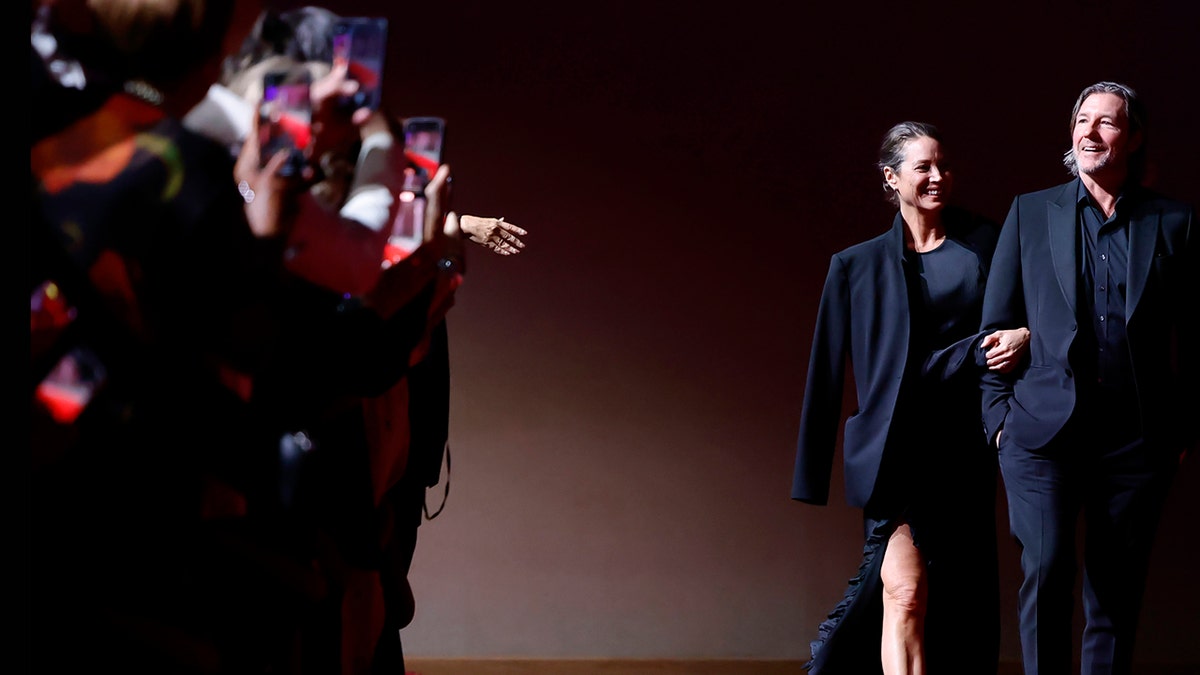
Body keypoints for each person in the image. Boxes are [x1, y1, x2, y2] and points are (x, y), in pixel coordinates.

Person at [29, 1, 460, 671]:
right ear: (228, 37)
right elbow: (292, 355)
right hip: (148, 536)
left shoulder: (79, 138)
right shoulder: (173, 167)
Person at [792, 121, 1030, 674]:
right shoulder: (854, 265)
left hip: (963, 448)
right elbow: (825, 370)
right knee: (904, 592)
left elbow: (1025, 315)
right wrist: (811, 472)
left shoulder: (986, 246)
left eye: (943, 165)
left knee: (959, 599)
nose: (937, 176)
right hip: (891, 454)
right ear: (891, 178)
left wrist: (1024, 336)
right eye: (922, 166)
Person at [979, 81, 1197, 675]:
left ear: (1134, 137)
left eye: (1107, 122)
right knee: (1047, 572)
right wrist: (997, 421)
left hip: (1135, 441)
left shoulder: (1174, 222)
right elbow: (995, 325)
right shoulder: (1030, 211)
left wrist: (1178, 431)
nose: (1090, 131)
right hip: (1040, 435)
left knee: (1114, 593)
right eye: (1082, 119)